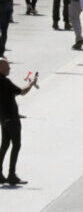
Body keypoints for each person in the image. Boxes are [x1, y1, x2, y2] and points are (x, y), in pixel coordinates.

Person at [0, 57, 38, 185]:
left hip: (3, 118)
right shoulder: (4, 81)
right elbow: (22, 92)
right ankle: (12, 174)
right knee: (16, 145)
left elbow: (11, 94)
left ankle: (0, 174)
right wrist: (32, 83)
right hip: (12, 119)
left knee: (4, 145)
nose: (9, 68)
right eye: (7, 66)